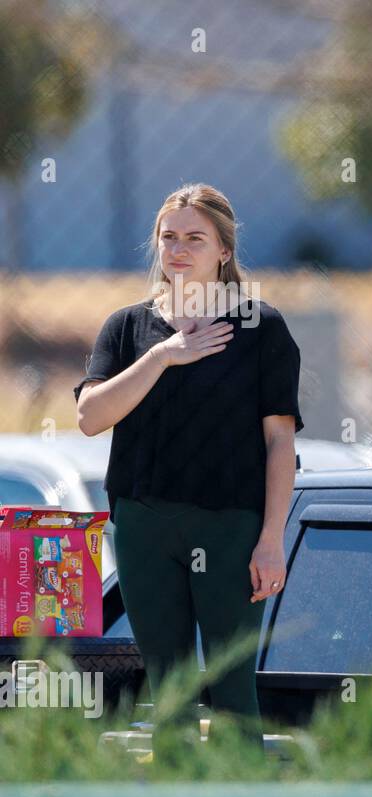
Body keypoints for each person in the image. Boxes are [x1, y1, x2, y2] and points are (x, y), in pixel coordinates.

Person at [74, 183, 303, 757]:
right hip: (143, 524)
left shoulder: (262, 327)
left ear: (223, 250)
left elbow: (280, 444)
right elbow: (90, 416)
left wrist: (272, 539)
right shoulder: (127, 328)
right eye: (168, 237)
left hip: (231, 528)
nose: (178, 249)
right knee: (170, 692)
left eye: (194, 238)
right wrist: (162, 356)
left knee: (232, 691)